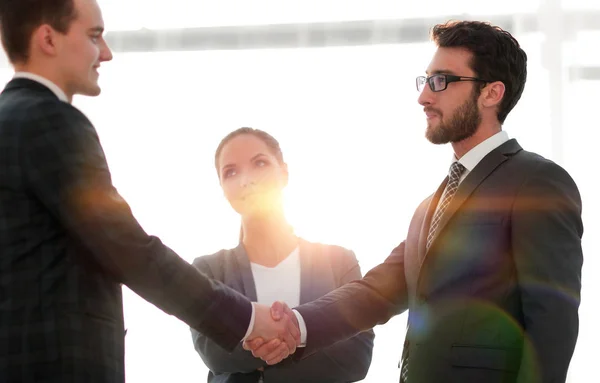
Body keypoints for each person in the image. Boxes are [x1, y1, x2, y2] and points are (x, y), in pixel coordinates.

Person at [248, 20, 584, 383]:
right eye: (426, 81)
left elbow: (552, 323)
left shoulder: (536, 181)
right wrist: (298, 325)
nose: (424, 97)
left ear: (491, 93)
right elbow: (376, 292)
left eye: (441, 81)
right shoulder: (430, 207)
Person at [0, 1, 298, 382]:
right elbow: (128, 249)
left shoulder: (10, 120)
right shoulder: (50, 121)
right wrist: (247, 318)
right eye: (94, 36)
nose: (105, 53)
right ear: (47, 38)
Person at [190, 127, 375, 383]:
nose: (246, 180)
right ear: (222, 187)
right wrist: (302, 342)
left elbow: (356, 356)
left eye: (260, 163)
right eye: (230, 172)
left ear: (284, 173)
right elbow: (214, 352)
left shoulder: (338, 262)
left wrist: (265, 349)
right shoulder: (208, 270)